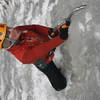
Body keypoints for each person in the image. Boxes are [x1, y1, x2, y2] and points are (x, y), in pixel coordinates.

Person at [0, 20, 71, 91]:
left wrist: (49, 31)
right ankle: (58, 86)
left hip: (44, 42)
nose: (12, 29)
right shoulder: (24, 56)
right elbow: (44, 48)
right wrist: (61, 38)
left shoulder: (18, 30)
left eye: (8, 27)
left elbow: (35, 28)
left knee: (51, 43)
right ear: (7, 43)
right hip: (44, 60)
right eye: (8, 32)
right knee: (60, 84)